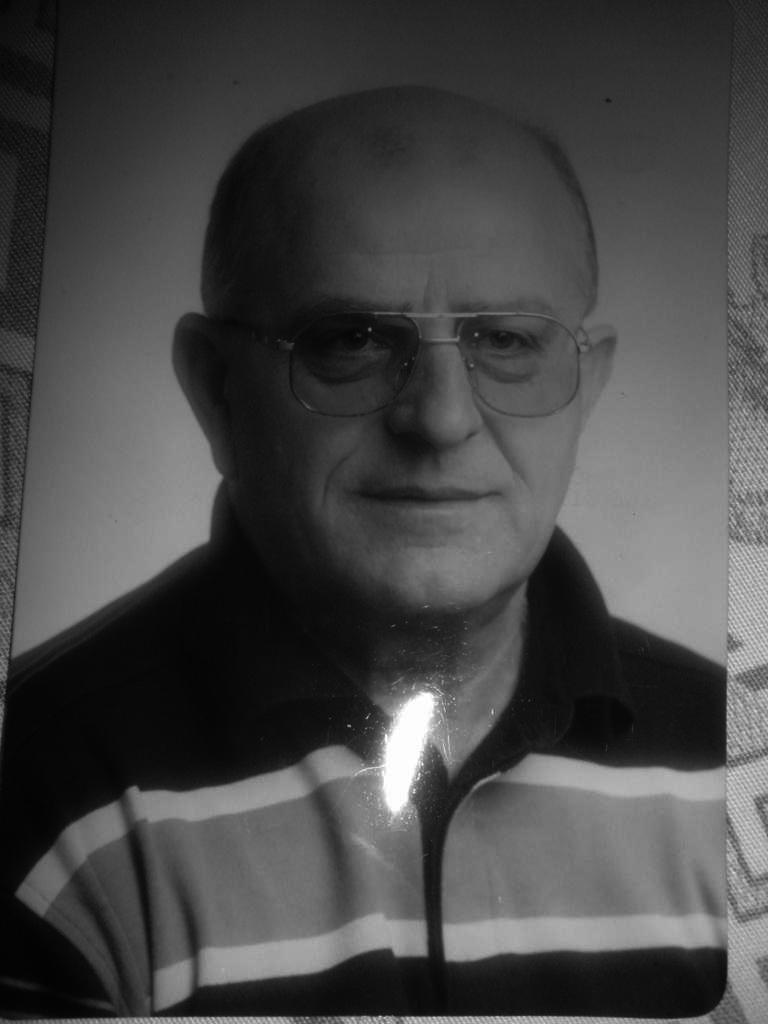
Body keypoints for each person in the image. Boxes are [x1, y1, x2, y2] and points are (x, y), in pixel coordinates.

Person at [0, 86, 725, 1017]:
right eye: (350, 341)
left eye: (508, 340)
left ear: (588, 386)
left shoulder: (733, 763)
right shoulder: (39, 799)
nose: (441, 418)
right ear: (216, 390)